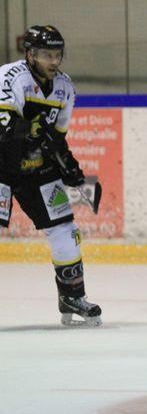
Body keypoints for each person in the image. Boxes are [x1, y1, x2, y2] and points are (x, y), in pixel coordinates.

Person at [0, 25, 101, 326]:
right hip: (1, 166)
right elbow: (3, 126)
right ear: (30, 54)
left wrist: (68, 166)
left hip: (36, 169)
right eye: (46, 54)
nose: (53, 61)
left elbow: (56, 137)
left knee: (65, 228)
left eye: (57, 54)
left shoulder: (65, 87)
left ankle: (72, 295)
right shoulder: (10, 76)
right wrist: (31, 128)